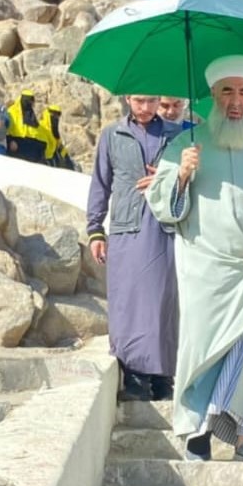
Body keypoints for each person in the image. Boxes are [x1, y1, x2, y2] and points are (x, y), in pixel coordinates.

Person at [146, 56, 243, 466]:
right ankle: (198, 431)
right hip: (205, 267)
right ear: (214, 96)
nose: (236, 101)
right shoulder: (186, 144)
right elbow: (162, 204)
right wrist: (181, 174)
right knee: (204, 349)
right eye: (227, 92)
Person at [87, 93, 180, 401]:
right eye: (139, 101)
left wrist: (170, 176)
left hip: (166, 229)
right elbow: (100, 184)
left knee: (162, 304)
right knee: (127, 302)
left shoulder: (176, 135)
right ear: (127, 98)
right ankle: (136, 377)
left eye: (152, 101)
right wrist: (95, 231)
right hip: (126, 229)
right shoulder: (112, 135)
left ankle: (163, 377)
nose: (145, 108)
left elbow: (197, 178)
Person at [7, 90, 49, 162]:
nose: (30, 103)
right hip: (17, 146)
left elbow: (38, 133)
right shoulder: (12, 111)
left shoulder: (31, 115)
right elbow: (7, 129)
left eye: (31, 101)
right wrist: (10, 140)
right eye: (28, 100)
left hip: (31, 150)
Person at [40, 105, 76, 169]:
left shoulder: (55, 131)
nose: (56, 117)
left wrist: (69, 163)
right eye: (53, 114)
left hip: (53, 161)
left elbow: (60, 148)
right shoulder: (41, 128)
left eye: (57, 115)